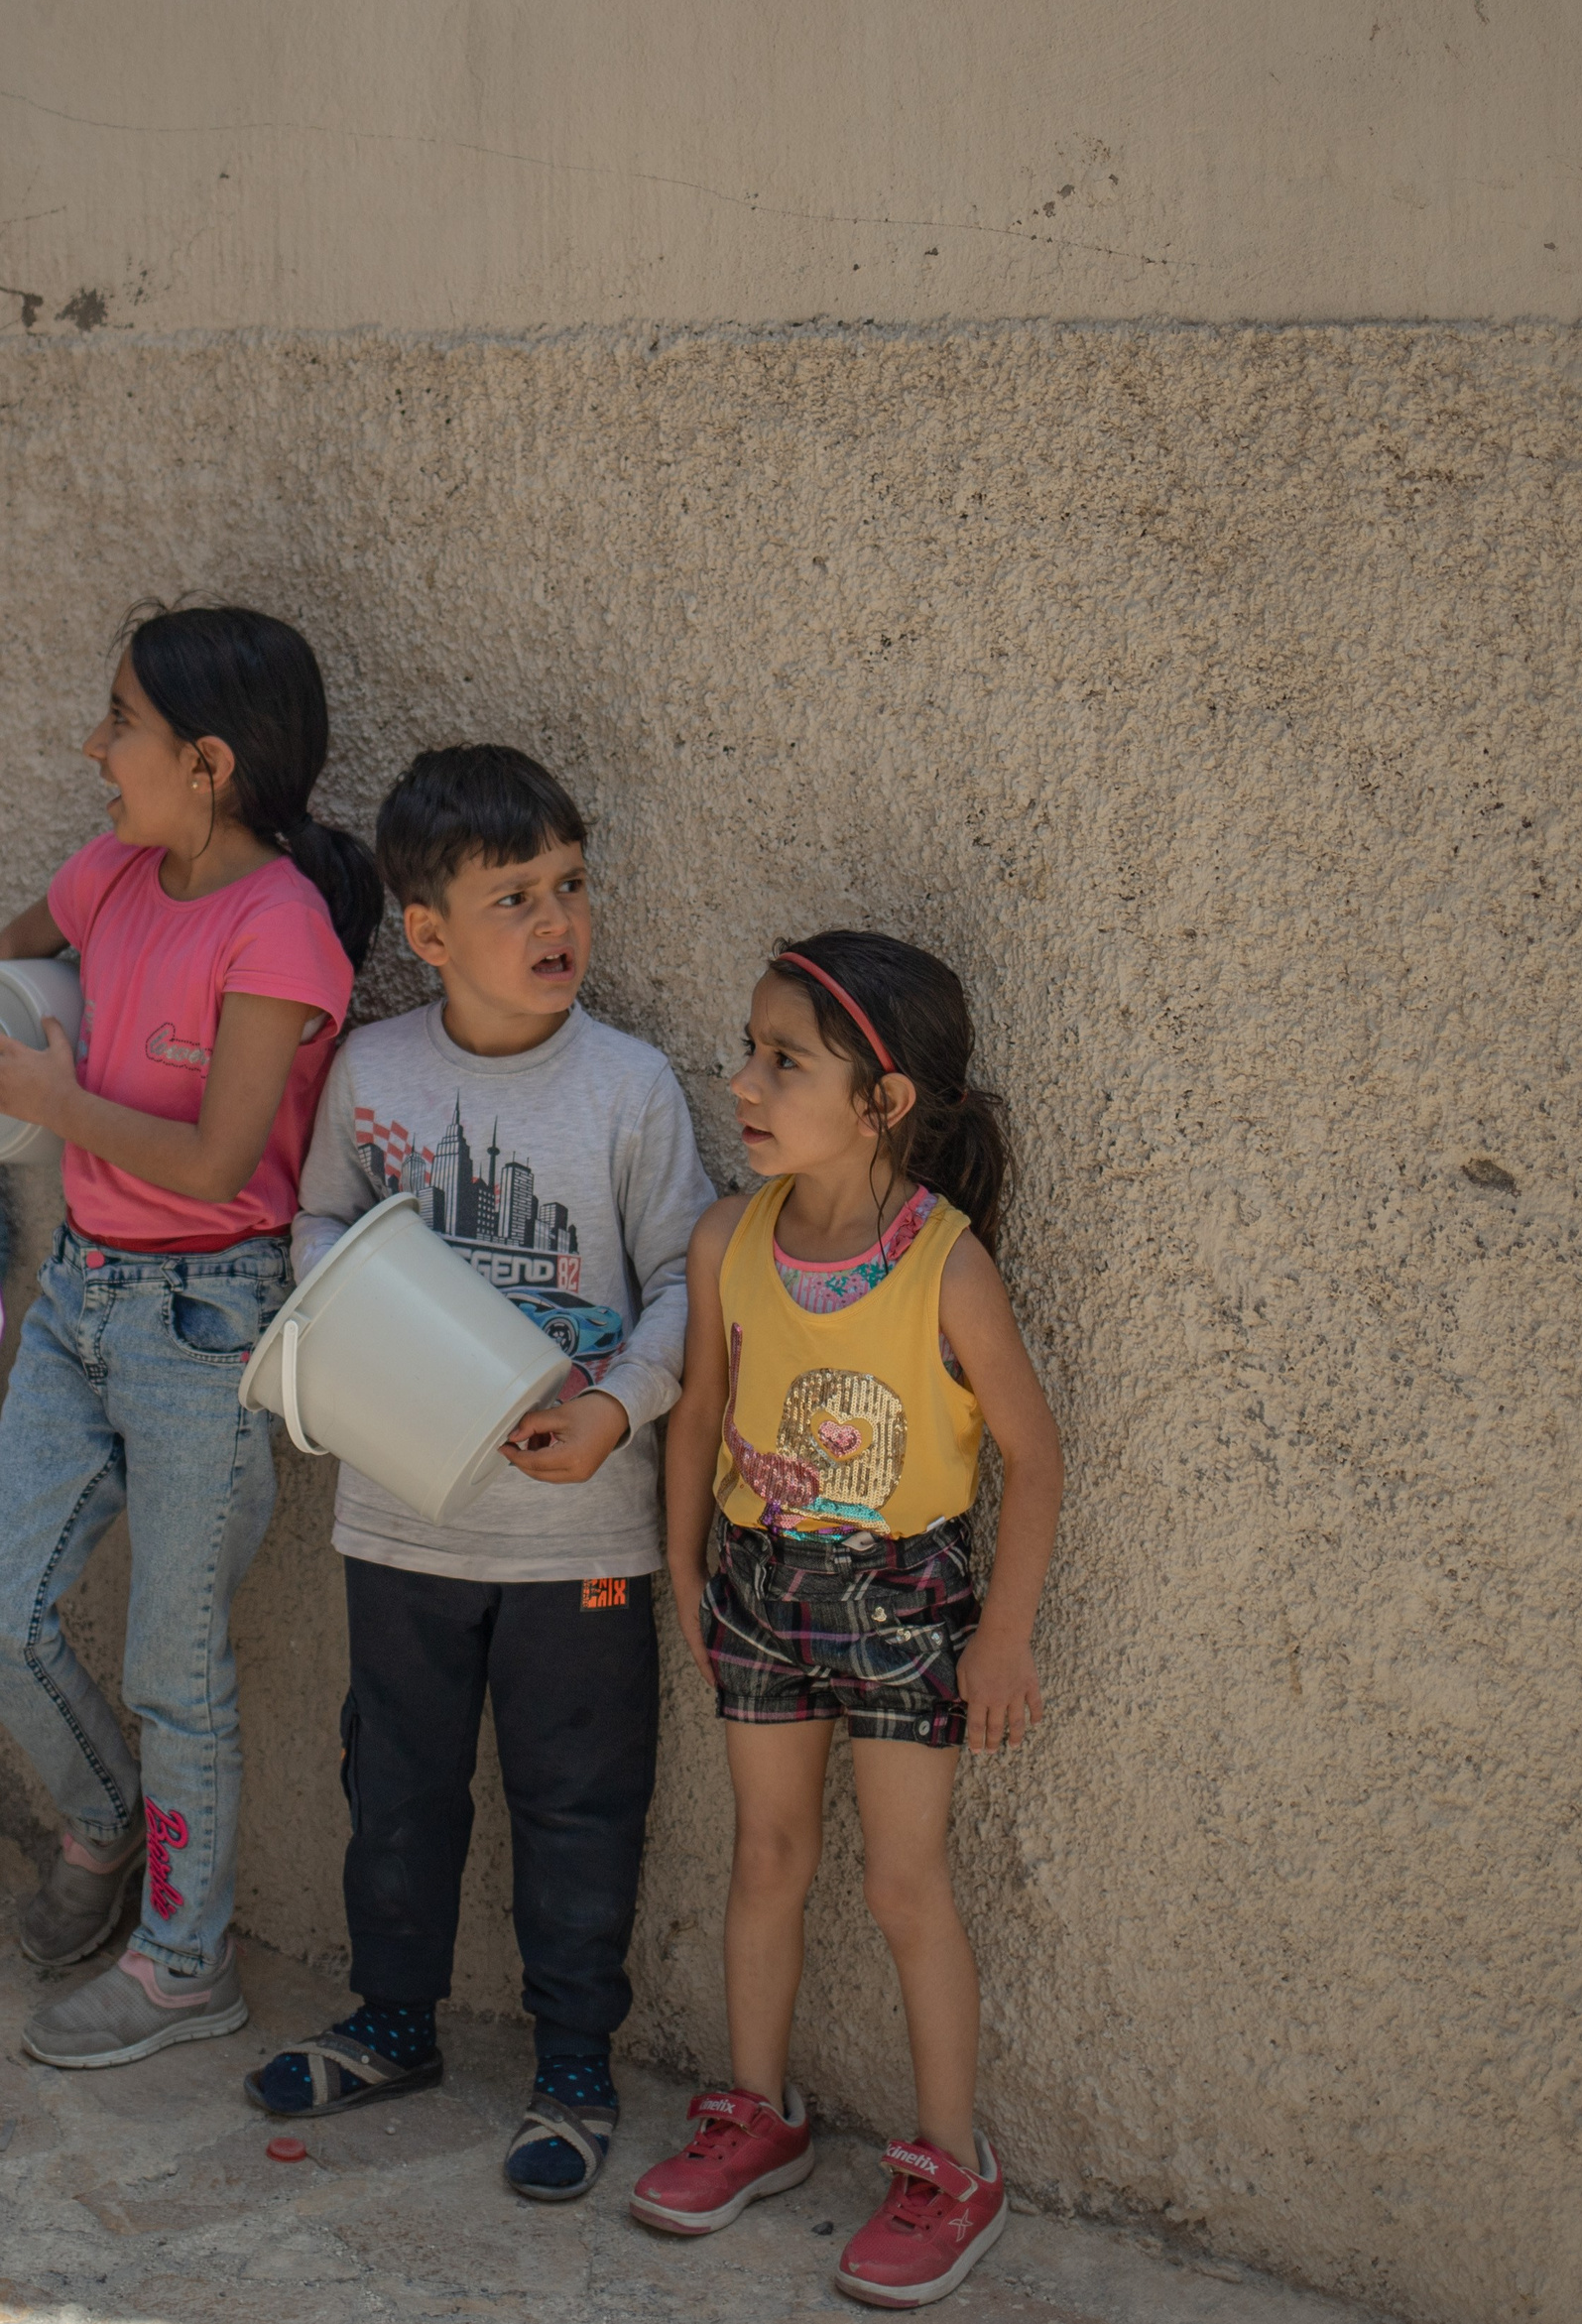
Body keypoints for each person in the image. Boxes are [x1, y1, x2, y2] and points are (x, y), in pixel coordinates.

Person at [239, 745, 713, 2203]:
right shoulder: (376, 1069)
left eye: (571, 883)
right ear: (430, 931)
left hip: (582, 1531)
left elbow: (690, 1288)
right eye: (516, 896)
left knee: (581, 1800)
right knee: (395, 1785)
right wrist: (370, 1317)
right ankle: (396, 2022)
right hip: (402, 1520)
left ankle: (575, 2061)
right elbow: (314, 1227)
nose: (558, 916)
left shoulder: (628, 1087)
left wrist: (620, 1409)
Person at [629, 931, 1062, 2310]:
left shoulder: (946, 1265)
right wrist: (685, 1573)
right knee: (766, 1850)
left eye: (783, 1061)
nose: (743, 1081)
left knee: (901, 1879)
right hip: (761, 1592)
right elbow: (699, 1414)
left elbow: (1034, 1455)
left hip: (907, 1601)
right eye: (747, 1050)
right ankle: (758, 2110)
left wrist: (1000, 1633)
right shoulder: (728, 1237)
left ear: (882, 1104)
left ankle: (951, 2161)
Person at [0, 604, 380, 2065]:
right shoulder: (110, 872)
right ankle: (104, 1824)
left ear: (209, 761)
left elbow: (224, 1162)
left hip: (204, 1325)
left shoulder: (280, 930)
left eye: (119, 723)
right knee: (10, 1598)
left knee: (175, 1665)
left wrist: (48, 1104)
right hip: (83, 1292)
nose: (92, 748)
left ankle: (183, 1959)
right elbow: (19, 951)